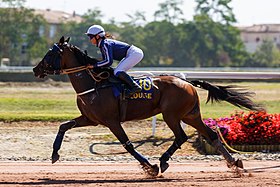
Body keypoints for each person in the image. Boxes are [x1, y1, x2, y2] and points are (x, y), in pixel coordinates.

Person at [85, 24, 142, 95]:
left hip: (134, 53)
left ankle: (135, 87)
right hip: (131, 53)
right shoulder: (103, 44)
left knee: (117, 71)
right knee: (116, 71)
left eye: (90, 37)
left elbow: (108, 62)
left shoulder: (105, 44)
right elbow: (104, 60)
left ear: (97, 36)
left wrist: (94, 66)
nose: (90, 39)